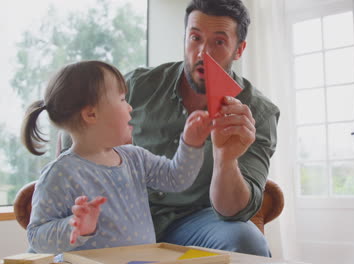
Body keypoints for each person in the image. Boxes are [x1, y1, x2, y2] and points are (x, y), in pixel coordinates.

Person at [62, 0, 279, 257]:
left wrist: (226, 158)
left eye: (218, 42)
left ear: (239, 49)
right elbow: (76, 128)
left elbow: (233, 212)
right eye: (195, 38)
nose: (202, 53)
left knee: (247, 241)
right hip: (122, 214)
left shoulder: (258, 113)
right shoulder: (136, 86)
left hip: (198, 221)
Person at [21, 60, 213, 254]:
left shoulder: (135, 158)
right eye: (122, 99)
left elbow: (177, 179)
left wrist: (191, 144)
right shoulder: (60, 173)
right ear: (91, 114)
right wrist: (74, 227)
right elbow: (36, 237)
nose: (130, 107)